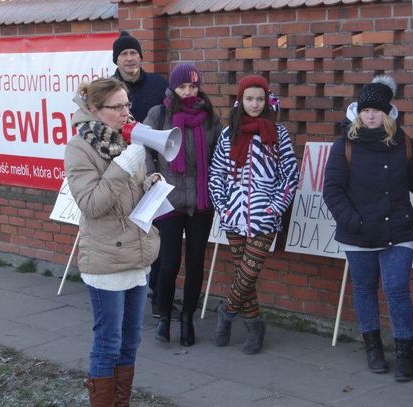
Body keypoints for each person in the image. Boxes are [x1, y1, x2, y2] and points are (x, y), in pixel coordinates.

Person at [322, 75, 413, 382]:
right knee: (364, 290)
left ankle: (404, 354)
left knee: (397, 290)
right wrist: (352, 221)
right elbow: (332, 190)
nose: (370, 115)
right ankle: (373, 348)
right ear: (358, 112)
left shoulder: (403, 142)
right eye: (365, 109)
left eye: (377, 110)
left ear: (388, 113)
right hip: (358, 232)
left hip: (397, 229)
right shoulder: (344, 144)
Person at [64, 78, 161, 405]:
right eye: (117, 107)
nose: (126, 113)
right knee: (108, 342)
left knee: (131, 341)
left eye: (127, 106)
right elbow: (92, 205)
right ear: (94, 110)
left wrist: (147, 184)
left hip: (135, 254)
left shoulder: (121, 139)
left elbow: (124, 197)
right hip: (106, 260)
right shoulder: (79, 148)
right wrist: (123, 167)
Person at [209, 75, 299, 355]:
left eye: (260, 99)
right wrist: (223, 207)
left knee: (249, 271)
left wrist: (275, 207)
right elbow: (216, 174)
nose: (255, 104)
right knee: (242, 274)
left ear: (266, 100)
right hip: (233, 215)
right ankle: (254, 326)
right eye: (249, 99)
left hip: (265, 216)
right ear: (240, 100)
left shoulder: (278, 133)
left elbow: (290, 176)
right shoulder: (229, 134)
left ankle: (226, 311)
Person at [144, 63, 223, 347]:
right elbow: (145, 148)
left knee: (195, 264)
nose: (188, 92)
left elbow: (220, 155)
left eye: (192, 87)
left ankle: (188, 317)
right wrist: (151, 174)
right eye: (182, 87)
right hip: (169, 198)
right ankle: (165, 315)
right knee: (168, 263)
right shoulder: (160, 114)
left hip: (202, 201)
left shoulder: (210, 117)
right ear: (173, 88)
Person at [111, 30, 170, 320]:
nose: (130, 58)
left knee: (154, 231)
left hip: (154, 169)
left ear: (141, 57)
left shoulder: (160, 84)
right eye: (124, 54)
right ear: (117, 59)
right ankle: (123, 293)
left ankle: (158, 296)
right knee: (124, 231)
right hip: (120, 170)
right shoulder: (106, 88)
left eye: (133, 52)